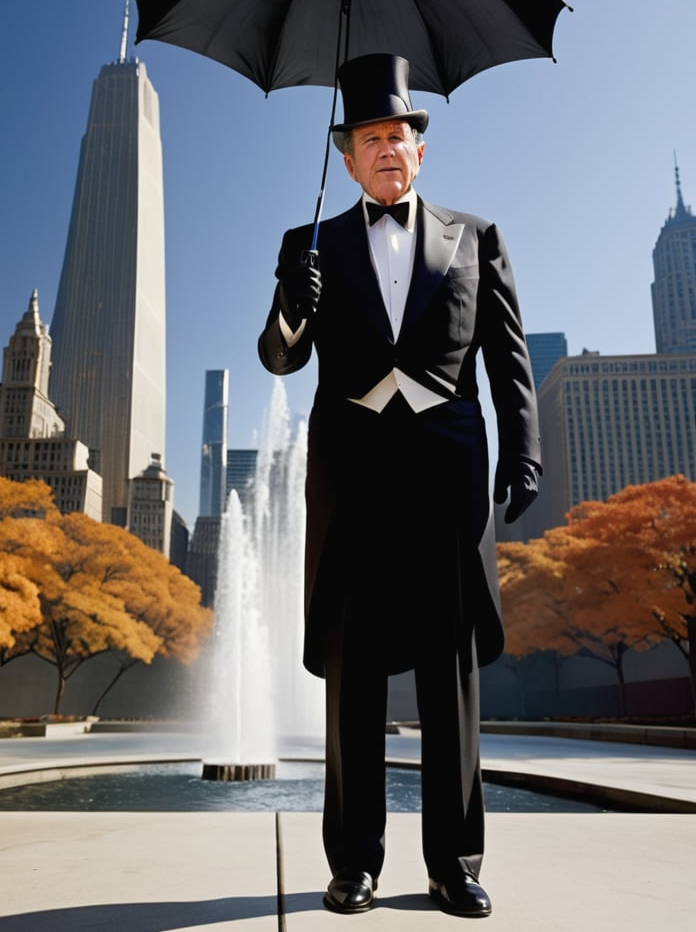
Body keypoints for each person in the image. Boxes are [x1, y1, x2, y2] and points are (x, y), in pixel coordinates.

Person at [258, 53, 540, 918]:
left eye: (400, 135)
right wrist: (291, 307)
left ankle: (454, 863)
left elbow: (509, 358)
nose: (388, 149)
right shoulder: (308, 244)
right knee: (355, 672)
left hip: (445, 475)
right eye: (371, 137)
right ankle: (354, 863)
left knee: (450, 673)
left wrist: (521, 454)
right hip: (351, 475)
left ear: (422, 149)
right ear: (346, 156)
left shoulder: (479, 235)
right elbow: (279, 357)